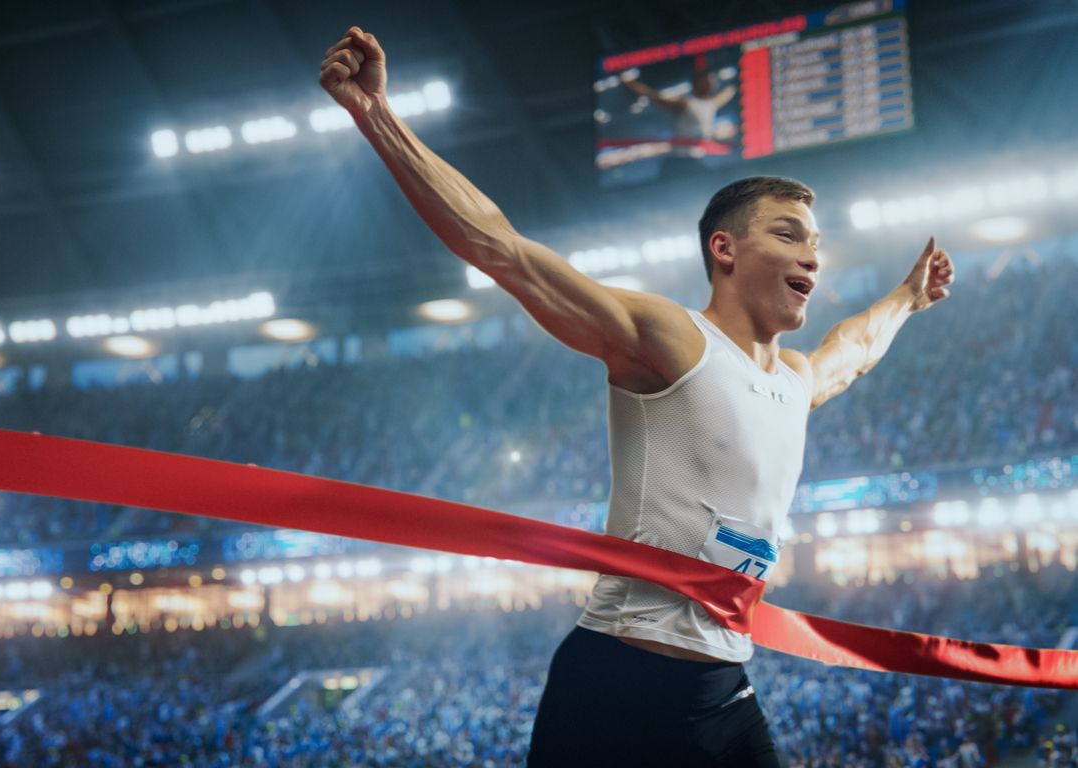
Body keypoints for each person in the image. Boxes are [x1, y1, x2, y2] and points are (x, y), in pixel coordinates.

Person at [319, 25, 955, 767]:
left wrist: (908, 298)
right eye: (787, 234)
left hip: (720, 686)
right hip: (614, 684)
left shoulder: (792, 382)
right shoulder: (669, 339)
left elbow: (851, 350)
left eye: (814, 240)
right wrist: (377, 117)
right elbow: (503, 250)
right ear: (724, 248)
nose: (811, 253)